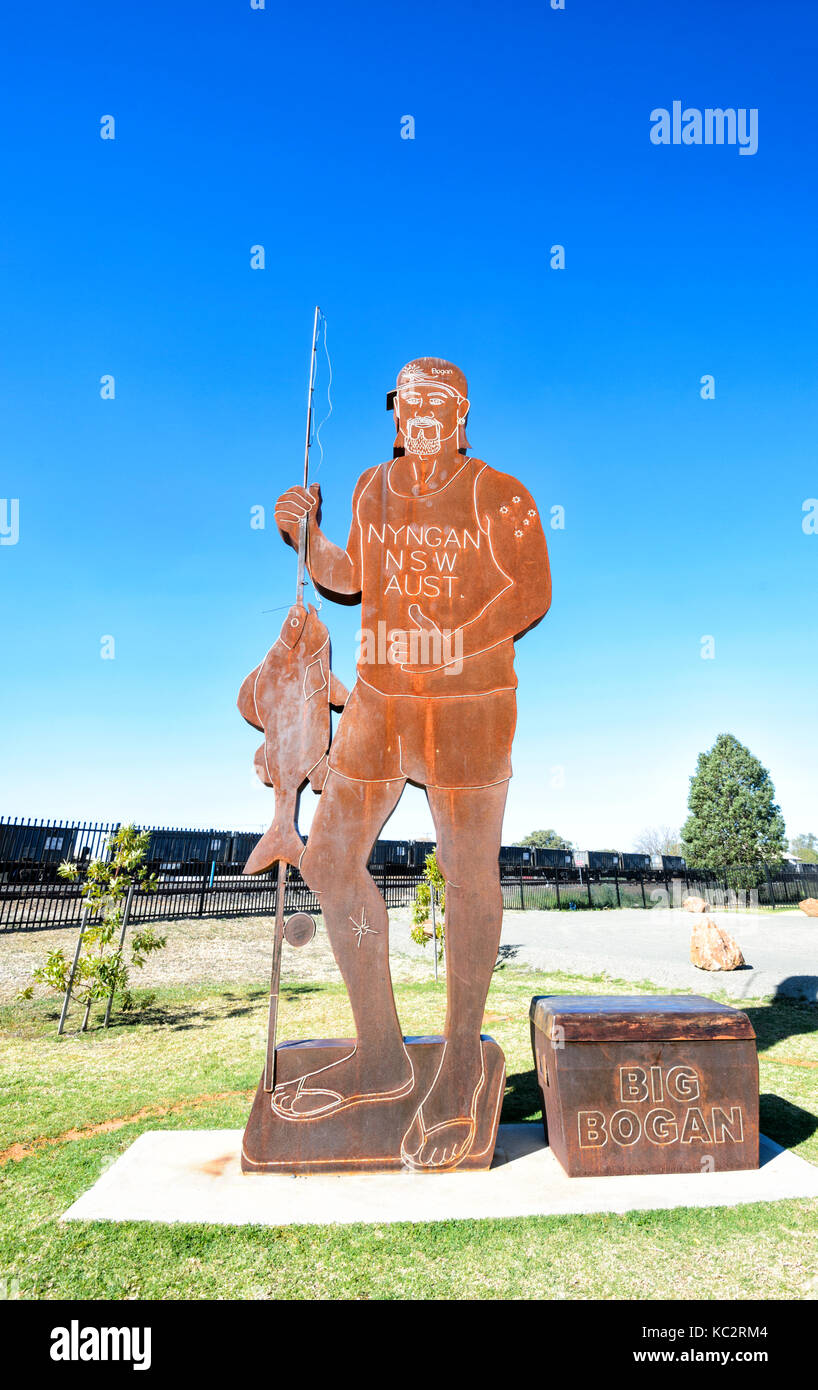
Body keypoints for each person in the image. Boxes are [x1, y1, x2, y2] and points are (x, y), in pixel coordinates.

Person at [272, 357, 551, 1170]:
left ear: (460, 413)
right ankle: (382, 1055)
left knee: (467, 873)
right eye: (407, 403)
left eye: (435, 401)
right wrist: (307, 536)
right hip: (380, 701)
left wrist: (453, 645)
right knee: (327, 859)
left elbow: (530, 590)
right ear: (396, 416)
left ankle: (460, 1063)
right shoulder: (370, 487)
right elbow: (351, 578)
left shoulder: (502, 492)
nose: (419, 413)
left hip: (469, 707)